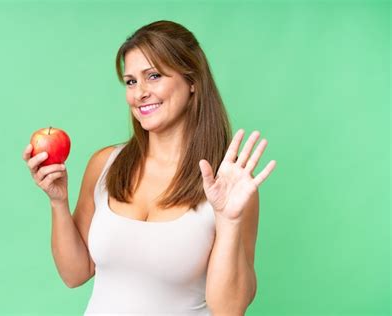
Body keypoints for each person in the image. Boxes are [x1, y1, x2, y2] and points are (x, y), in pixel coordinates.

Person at [22, 20, 276, 315]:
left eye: (153, 76)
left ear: (192, 80)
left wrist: (229, 221)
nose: (139, 92)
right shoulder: (105, 165)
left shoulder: (227, 187)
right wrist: (58, 202)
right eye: (131, 81)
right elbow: (75, 273)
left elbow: (230, 309)